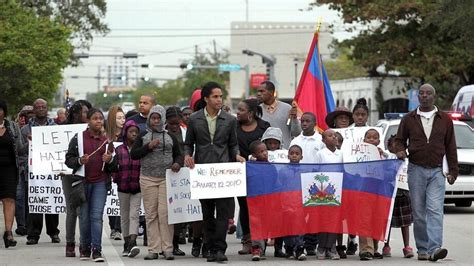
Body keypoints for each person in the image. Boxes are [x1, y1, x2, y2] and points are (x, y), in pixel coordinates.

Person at [393, 84, 457, 262]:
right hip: (416, 169)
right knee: (419, 213)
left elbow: (451, 146)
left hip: (437, 170)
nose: (424, 96)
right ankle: (422, 248)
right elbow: (399, 140)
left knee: (435, 210)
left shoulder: (445, 119)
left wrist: (453, 170)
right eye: (421, 93)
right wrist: (400, 150)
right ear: (418, 97)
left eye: (428, 93)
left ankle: (435, 248)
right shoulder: (409, 118)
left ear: (434, 96)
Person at [184, 81, 245, 262]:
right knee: (207, 212)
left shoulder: (230, 119)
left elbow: (233, 144)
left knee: (224, 212)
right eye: (215, 97)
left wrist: (237, 156)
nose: (219, 100)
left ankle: (220, 248)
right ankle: (209, 247)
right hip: (203, 171)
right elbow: (188, 143)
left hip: (223, 170)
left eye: (220, 96)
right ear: (206, 99)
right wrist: (188, 155)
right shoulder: (194, 119)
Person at [130, 105, 183, 261]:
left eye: (158, 118)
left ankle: (167, 249)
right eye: (153, 118)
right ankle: (153, 249)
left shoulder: (170, 137)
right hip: (147, 178)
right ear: (149, 119)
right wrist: (148, 147)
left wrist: (178, 163)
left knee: (165, 213)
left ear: (163, 119)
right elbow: (134, 154)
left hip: (166, 178)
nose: (155, 121)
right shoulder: (143, 136)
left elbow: (179, 155)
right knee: (151, 214)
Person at [65, 108, 114, 262]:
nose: (99, 121)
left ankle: (97, 250)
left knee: (96, 217)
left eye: (101, 118)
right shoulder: (78, 138)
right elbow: (68, 160)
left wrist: (110, 160)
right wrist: (79, 161)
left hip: (100, 182)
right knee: (84, 217)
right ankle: (84, 248)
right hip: (82, 182)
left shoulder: (108, 141)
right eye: (95, 118)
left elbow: (115, 166)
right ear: (88, 120)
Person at [21, 98, 61, 245]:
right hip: (33, 174)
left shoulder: (55, 127)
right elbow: (20, 151)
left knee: (51, 203)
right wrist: (29, 142)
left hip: (50, 172)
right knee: (35, 204)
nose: (41, 109)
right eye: (37, 107)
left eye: (43, 107)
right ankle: (33, 235)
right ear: (34, 110)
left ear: (47, 108)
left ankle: (53, 233)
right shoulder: (25, 129)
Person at [235, 99, 270, 255]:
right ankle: (247, 241)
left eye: (241, 110)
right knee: (244, 207)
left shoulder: (264, 127)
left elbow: (272, 148)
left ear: (250, 113)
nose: (237, 112)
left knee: (261, 208)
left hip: (262, 175)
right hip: (241, 174)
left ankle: (262, 239)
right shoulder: (233, 127)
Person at [289, 112, 324, 255]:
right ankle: (298, 243)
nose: (304, 123)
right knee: (299, 214)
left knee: (313, 214)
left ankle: (311, 245)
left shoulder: (320, 141)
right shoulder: (295, 140)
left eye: (307, 121)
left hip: (315, 182)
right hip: (298, 182)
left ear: (314, 123)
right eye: (302, 121)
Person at [61, 100, 91, 257]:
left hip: (88, 173)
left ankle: (84, 243)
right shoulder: (63, 129)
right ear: (76, 113)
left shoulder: (93, 130)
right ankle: (70, 243)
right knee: (72, 209)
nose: (87, 115)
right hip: (68, 173)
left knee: (85, 210)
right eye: (85, 112)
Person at [324, 106, 355, 257]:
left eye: (346, 117)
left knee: (350, 214)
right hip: (331, 184)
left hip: (350, 181)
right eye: (340, 117)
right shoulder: (327, 136)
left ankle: (352, 240)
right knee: (335, 216)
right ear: (334, 120)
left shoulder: (355, 136)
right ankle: (336, 245)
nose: (344, 119)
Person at [110, 120, 142, 258]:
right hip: (122, 187)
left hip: (137, 187)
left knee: (134, 214)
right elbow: (114, 168)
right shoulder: (119, 149)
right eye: (131, 132)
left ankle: (133, 243)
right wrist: (116, 179)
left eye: (136, 132)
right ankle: (126, 241)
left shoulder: (140, 149)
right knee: (124, 216)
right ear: (125, 133)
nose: (133, 134)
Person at [382, 135, 414, 258]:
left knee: (405, 223)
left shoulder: (408, 160)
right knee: (387, 222)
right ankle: (386, 245)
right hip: (389, 195)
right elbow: (383, 154)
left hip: (403, 194)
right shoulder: (387, 157)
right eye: (394, 144)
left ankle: (407, 246)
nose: (397, 147)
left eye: (400, 144)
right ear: (389, 147)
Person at [314, 129, 344, 260]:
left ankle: (331, 247)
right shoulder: (320, 154)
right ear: (323, 140)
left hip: (337, 190)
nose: (333, 137)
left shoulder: (340, 154)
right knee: (323, 219)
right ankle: (321, 246)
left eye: (335, 135)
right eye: (330, 136)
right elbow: (316, 172)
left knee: (334, 219)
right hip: (323, 191)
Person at [0, 100, 26, 248]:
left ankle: (9, 233)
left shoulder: (13, 127)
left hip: (10, 169)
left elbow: (20, 149)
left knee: (9, 199)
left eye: (0, 110)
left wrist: (30, 143)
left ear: (4, 111)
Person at [357, 129, 384, 260]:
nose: (372, 140)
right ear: (364, 140)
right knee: (364, 219)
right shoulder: (358, 154)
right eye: (369, 138)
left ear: (379, 141)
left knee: (377, 219)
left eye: (375, 138)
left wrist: (381, 156)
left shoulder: (383, 155)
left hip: (379, 192)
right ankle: (365, 249)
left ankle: (374, 247)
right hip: (364, 191)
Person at [165, 106, 188, 257]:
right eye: (171, 124)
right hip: (166, 174)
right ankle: (166, 244)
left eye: (176, 123)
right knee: (167, 212)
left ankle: (175, 244)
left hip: (182, 175)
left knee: (180, 211)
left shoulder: (185, 133)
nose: (174, 127)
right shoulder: (163, 134)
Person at [280, 145, 306, 261]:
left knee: (299, 226)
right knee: (287, 226)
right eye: (292, 153)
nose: (294, 155)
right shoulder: (283, 170)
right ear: (288, 155)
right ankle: (289, 248)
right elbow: (279, 187)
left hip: (300, 204)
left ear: (301, 156)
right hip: (286, 203)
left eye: (297, 154)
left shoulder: (305, 171)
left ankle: (299, 248)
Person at [257, 81, 301, 149]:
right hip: (265, 154)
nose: (259, 94)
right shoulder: (257, 110)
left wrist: (294, 119)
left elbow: (296, 133)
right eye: (258, 91)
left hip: (284, 153)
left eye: (262, 91)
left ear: (271, 92)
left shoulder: (287, 108)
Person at [106, 105, 126, 241]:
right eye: (119, 118)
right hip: (110, 174)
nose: (122, 120)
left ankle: (122, 228)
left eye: (123, 117)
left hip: (124, 173)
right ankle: (114, 228)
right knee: (112, 203)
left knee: (122, 203)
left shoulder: (128, 133)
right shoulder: (106, 136)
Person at [247, 140, 270, 261]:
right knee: (256, 223)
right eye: (261, 152)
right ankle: (255, 248)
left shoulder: (271, 166)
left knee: (265, 224)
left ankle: (262, 247)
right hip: (255, 200)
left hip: (267, 200)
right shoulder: (251, 166)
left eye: (265, 150)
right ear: (254, 155)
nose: (265, 153)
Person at [14, 105, 34, 236]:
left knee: (29, 197)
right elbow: (19, 150)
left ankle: (28, 223)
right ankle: (21, 224)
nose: (25, 119)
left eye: (27, 116)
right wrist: (29, 142)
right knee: (19, 197)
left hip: (33, 168)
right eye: (23, 116)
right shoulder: (16, 129)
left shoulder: (36, 128)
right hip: (20, 167)